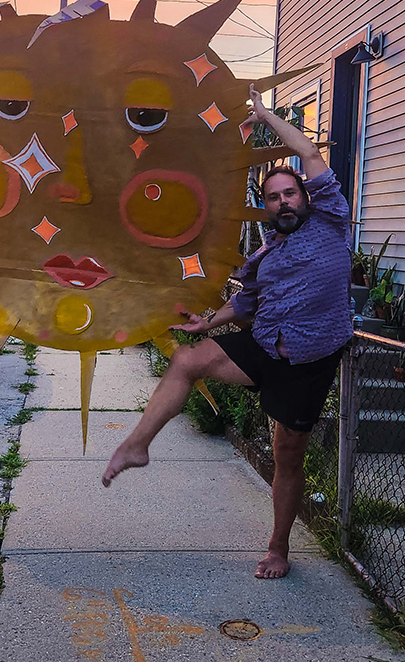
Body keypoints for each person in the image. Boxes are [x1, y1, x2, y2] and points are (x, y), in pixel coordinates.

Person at [102, 84, 352, 579]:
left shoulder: (332, 220)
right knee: (188, 358)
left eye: (289, 193)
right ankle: (136, 444)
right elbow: (247, 302)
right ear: (268, 207)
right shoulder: (267, 251)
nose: (283, 201)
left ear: (305, 196)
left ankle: (278, 548)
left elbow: (304, 150)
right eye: (273, 197)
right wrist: (206, 323)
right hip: (264, 346)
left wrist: (264, 115)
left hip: (308, 360)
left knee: (286, 452)